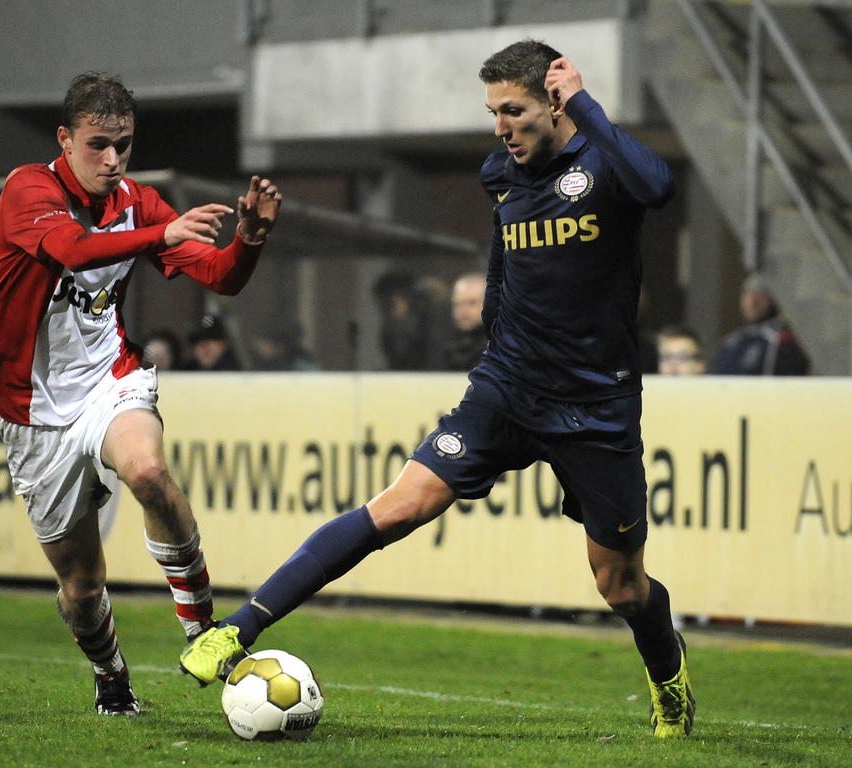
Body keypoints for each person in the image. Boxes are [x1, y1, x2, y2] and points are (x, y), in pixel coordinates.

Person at [180, 41, 695, 739]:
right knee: (398, 506)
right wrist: (493, 336)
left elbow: (659, 185)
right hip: (506, 389)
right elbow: (502, 263)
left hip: (595, 407)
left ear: (553, 102)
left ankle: (669, 677)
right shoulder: (500, 175)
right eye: (492, 112)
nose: (500, 128)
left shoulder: (607, 166)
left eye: (513, 110)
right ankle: (235, 629)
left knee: (620, 586)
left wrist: (585, 104)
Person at [0, 72, 282, 716]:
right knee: (81, 586)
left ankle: (207, 635)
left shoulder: (136, 201)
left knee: (148, 471)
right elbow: (72, 250)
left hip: (108, 381)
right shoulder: (27, 190)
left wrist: (248, 241)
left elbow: (218, 278)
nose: (113, 160)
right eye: (98, 144)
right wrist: (163, 235)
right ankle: (112, 678)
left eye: (124, 145)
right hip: (34, 414)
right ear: (65, 140)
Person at [715, 273, 810, 375]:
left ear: (773, 301)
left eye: (760, 297)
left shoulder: (784, 341)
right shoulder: (732, 342)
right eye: (748, 295)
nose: (752, 303)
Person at [436, 272, 489, 371]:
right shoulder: (445, 347)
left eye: (471, 303)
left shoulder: (504, 348)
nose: (463, 310)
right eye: (457, 304)